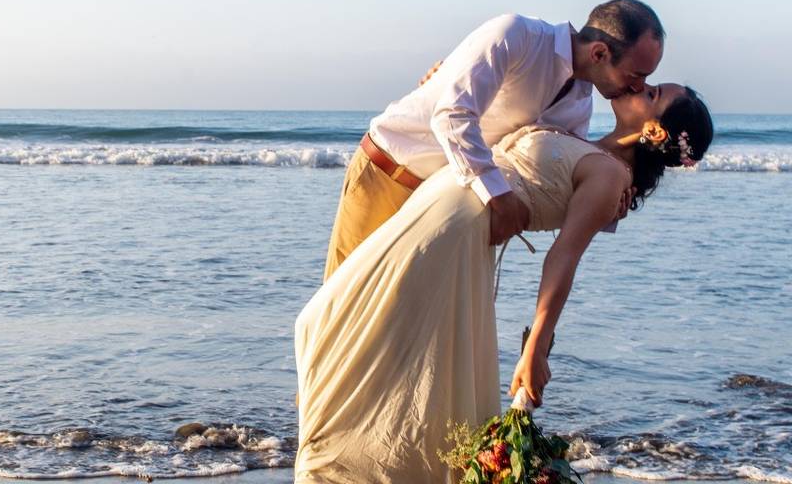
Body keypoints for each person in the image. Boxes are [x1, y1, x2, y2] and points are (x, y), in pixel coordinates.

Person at [295, 83, 713, 483]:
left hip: (452, 229)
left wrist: (536, 347)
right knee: (328, 327)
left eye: (653, 94)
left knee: (329, 327)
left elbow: (564, 257)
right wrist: (445, 81)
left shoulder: (610, 177)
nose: (641, 86)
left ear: (654, 130)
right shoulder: (585, 139)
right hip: (435, 205)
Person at [324, 0, 666, 281]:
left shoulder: (580, 103)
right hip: (390, 176)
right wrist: (500, 199)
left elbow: (543, 179)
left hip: (445, 207)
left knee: (404, 336)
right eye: (636, 75)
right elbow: (452, 116)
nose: (638, 86)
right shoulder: (517, 35)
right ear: (599, 53)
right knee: (340, 315)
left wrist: (605, 209)